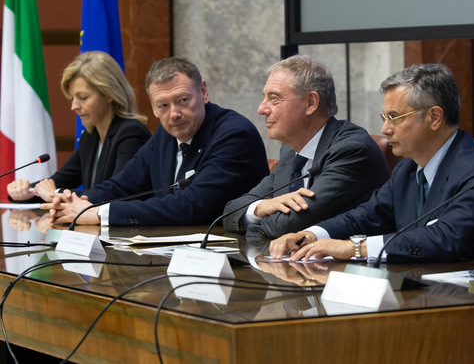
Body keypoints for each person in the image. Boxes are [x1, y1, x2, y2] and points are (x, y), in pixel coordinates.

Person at [269, 63, 474, 263]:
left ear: (434, 117)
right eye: (384, 117)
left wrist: (354, 248)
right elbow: (366, 216)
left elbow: (445, 239)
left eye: (395, 117)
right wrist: (313, 234)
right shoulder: (409, 168)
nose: (385, 129)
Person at [42, 57, 269, 226]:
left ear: (203, 92)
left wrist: (98, 213)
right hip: (173, 255)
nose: (174, 114)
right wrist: (73, 202)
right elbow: (122, 186)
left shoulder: (234, 134)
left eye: (182, 100)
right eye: (163, 105)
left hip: (232, 263)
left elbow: (192, 206)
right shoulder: (165, 133)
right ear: (153, 107)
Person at [222, 55, 390, 239]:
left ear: (311, 103)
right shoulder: (290, 151)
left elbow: (288, 226)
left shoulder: (351, 150)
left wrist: (255, 222)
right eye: (264, 98)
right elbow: (230, 212)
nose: (261, 109)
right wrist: (261, 207)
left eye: (274, 98)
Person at [7, 51, 151, 229]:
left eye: (82, 98)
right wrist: (25, 192)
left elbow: (118, 192)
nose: (74, 106)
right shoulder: (90, 138)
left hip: (129, 236)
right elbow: (58, 181)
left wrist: (55, 194)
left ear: (109, 94)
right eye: (72, 98)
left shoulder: (131, 133)